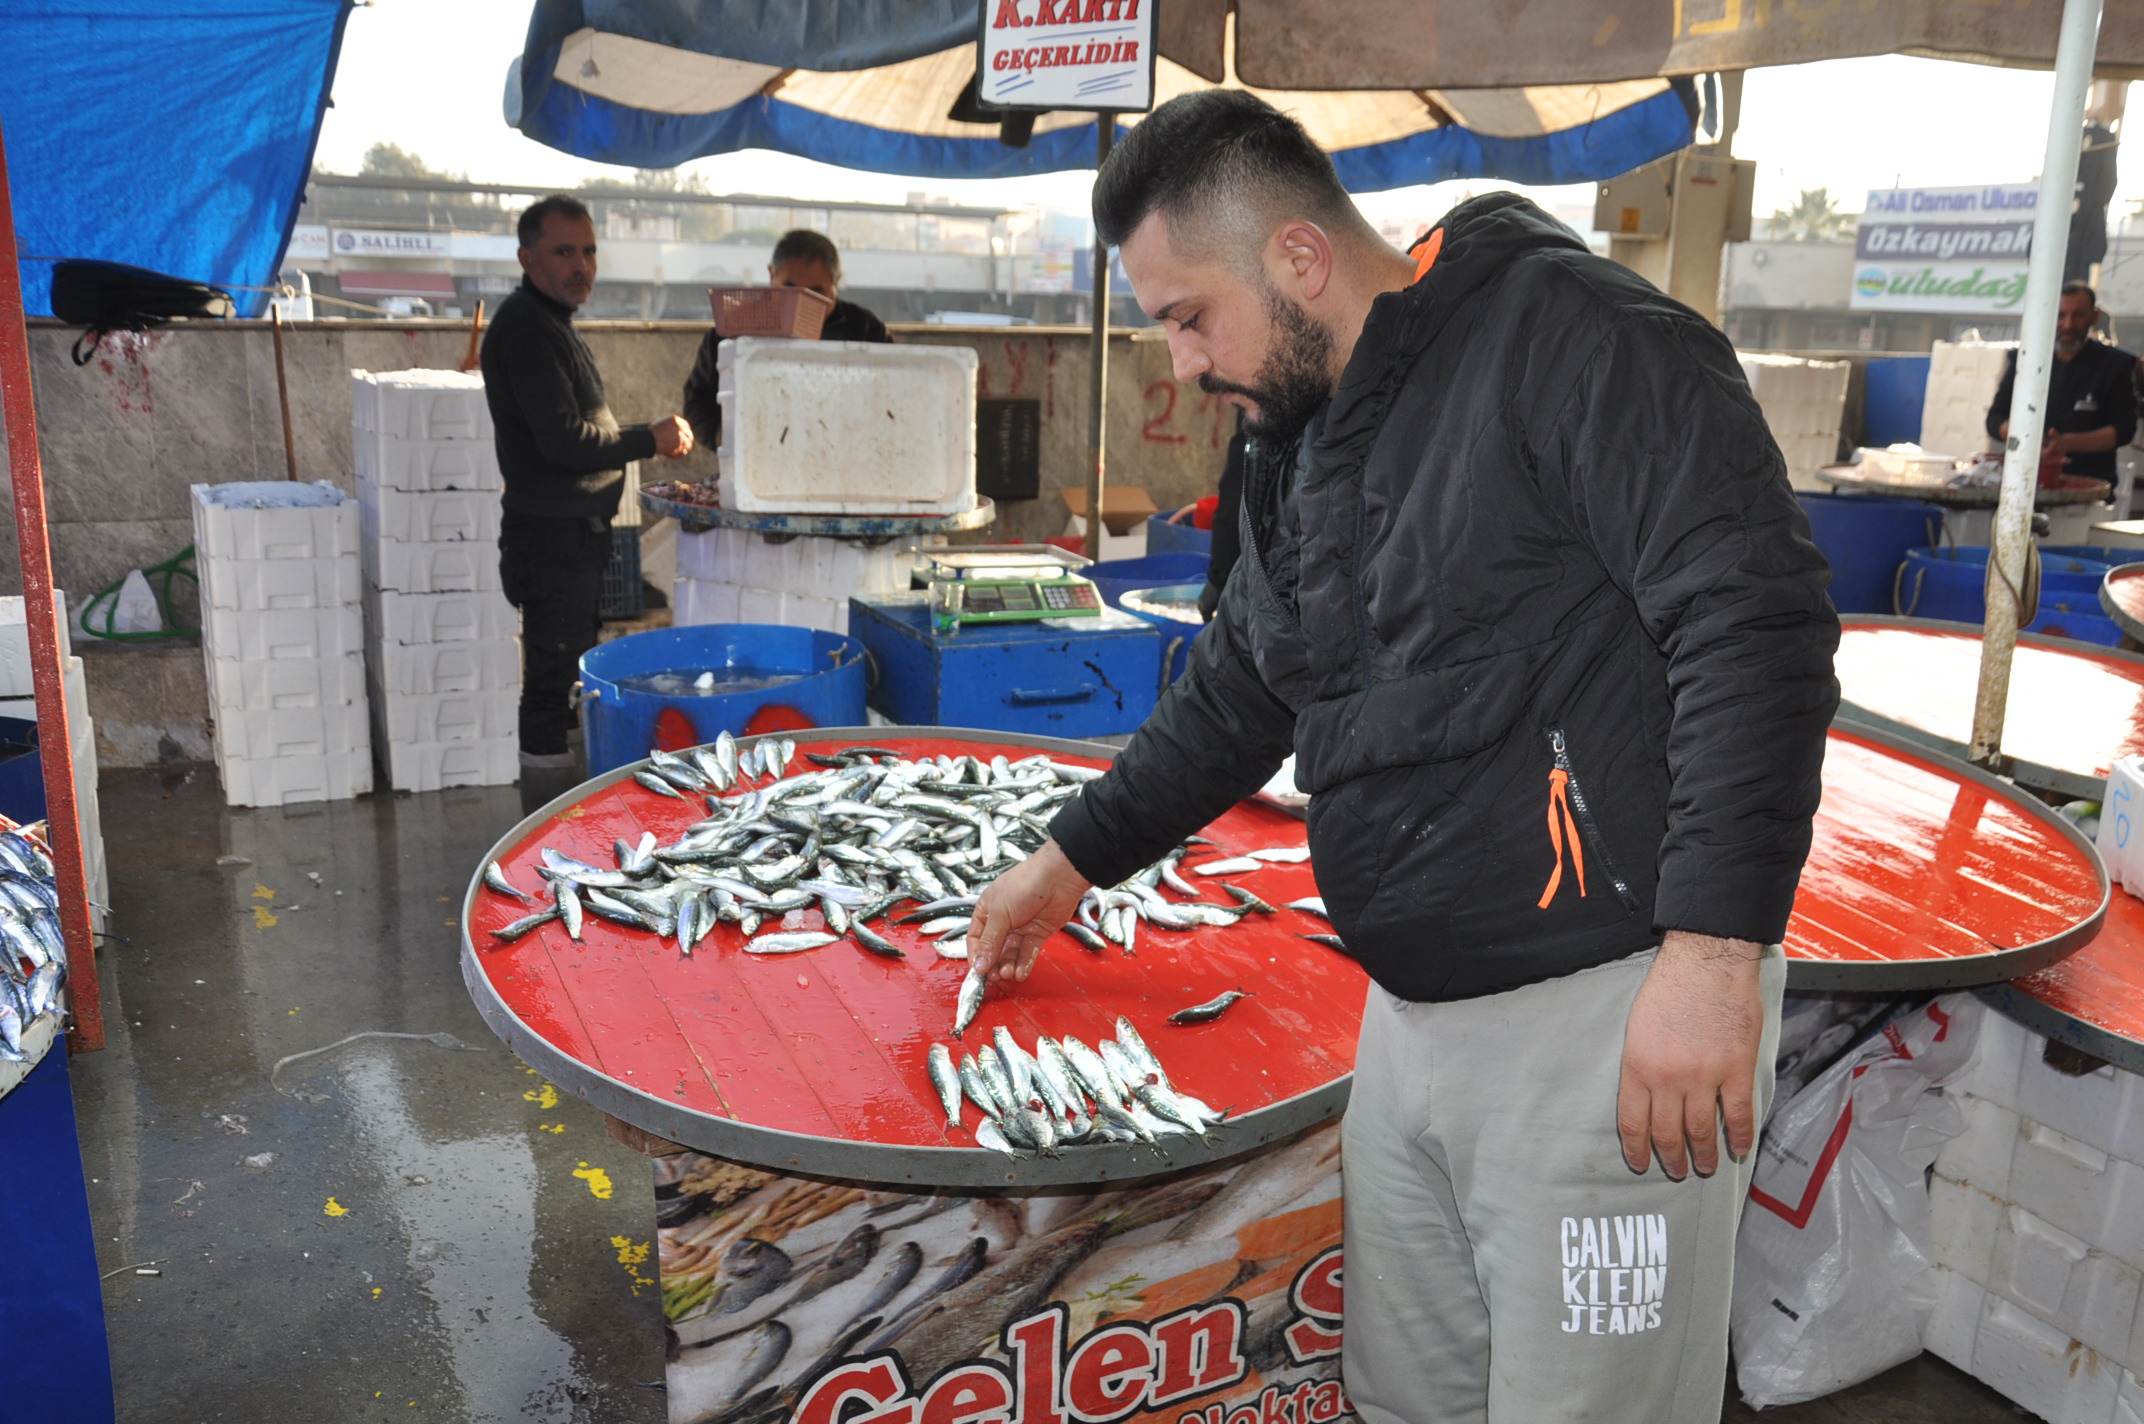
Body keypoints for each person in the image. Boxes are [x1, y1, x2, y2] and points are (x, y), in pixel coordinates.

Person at [966, 91, 1839, 1424]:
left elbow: (1752, 622)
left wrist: (1716, 955)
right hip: (1410, 1020)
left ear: (1300, 260)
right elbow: (1244, 686)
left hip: (1607, 1023)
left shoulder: (1583, 341)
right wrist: (1069, 863)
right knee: (1406, 1394)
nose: (1184, 365)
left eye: (1190, 318)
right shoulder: (1304, 433)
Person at [481, 194, 693, 771]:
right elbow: (563, 442)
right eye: (564, 251)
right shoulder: (527, 327)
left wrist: (641, 435)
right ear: (527, 258)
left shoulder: (551, 323)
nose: (582, 265)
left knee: (568, 673)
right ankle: (545, 822)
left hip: (572, 538)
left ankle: (564, 811)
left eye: (590, 251)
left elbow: (575, 430)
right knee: (551, 685)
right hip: (552, 540)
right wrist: (647, 438)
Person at [681, 228, 892, 442]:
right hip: (756, 455)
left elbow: (894, 390)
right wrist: (725, 439)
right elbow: (697, 400)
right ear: (772, 275)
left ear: (836, 282)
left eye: (816, 292)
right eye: (790, 289)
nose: (802, 302)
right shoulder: (734, 327)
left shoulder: (864, 328)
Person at [1985, 281, 2137, 486]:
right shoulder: (2025, 359)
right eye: (2060, 315)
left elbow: (2123, 430)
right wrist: (2023, 436)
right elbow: (1995, 419)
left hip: (2088, 486)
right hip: (2022, 482)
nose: (2068, 325)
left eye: (2078, 315)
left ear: (2094, 317)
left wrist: (2067, 443)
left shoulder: (2116, 365)